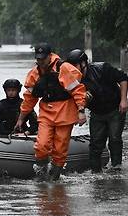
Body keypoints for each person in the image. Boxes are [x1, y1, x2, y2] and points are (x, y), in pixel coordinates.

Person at [15, 43, 87, 181]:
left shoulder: (63, 68)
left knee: (59, 151)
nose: (40, 61)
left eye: (43, 58)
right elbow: (29, 99)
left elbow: (78, 91)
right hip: (46, 113)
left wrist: (81, 111)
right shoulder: (34, 73)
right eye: (38, 59)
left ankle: (54, 178)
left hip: (65, 114)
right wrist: (21, 118)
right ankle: (42, 176)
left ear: (50, 56)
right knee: (42, 145)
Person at [66, 48, 128, 172]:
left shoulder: (102, 69)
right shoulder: (72, 81)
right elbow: (73, 99)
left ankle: (117, 168)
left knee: (115, 139)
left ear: (83, 63)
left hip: (114, 109)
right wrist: (78, 113)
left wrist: (124, 100)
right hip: (96, 113)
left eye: (75, 66)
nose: (72, 69)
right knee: (95, 144)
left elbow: (123, 78)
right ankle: (96, 172)